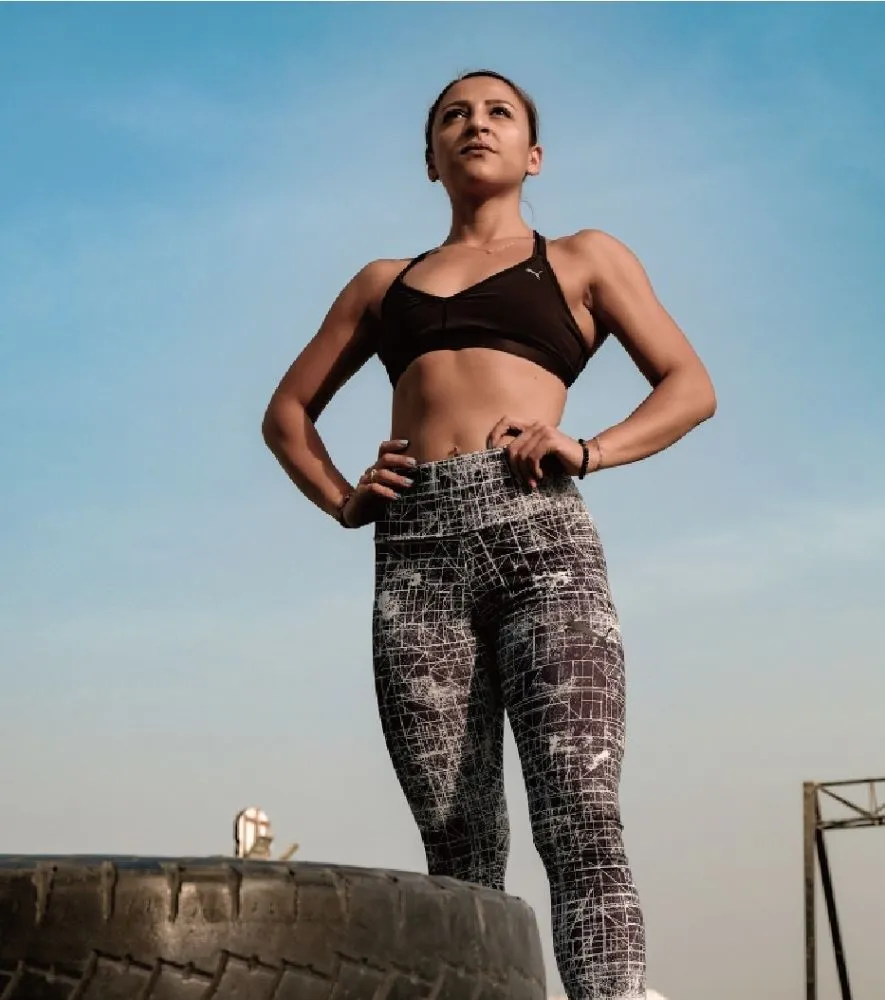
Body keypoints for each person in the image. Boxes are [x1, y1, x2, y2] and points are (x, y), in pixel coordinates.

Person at [262, 69, 716, 999]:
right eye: (452, 117)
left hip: (541, 538)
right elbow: (287, 412)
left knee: (579, 809)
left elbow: (689, 386)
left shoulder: (584, 258)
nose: (476, 124)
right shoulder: (381, 284)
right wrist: (347, 498)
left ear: (532, 154)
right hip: (416, 557)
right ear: (429, 158)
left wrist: (588, 448)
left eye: (498, 113)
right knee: (458, 840)